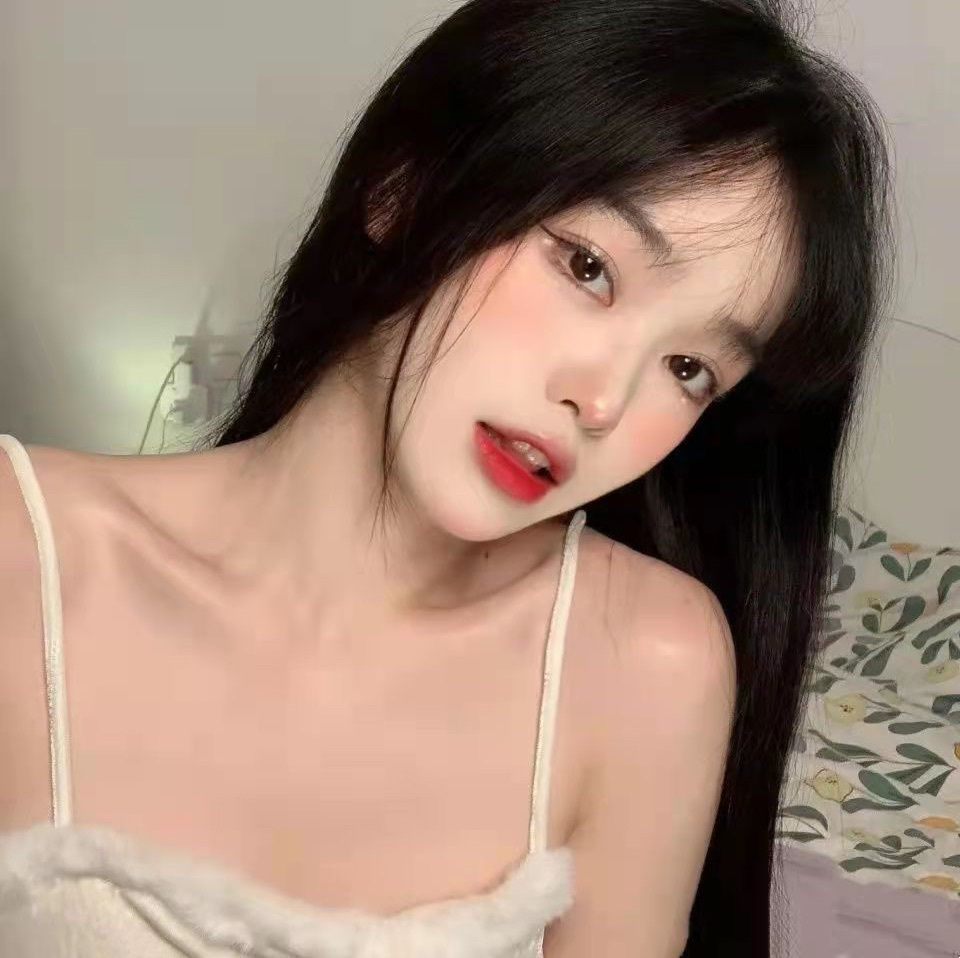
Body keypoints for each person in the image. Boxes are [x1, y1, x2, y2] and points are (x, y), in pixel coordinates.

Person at [0, 0, 892, 954]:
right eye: (587, 267)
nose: (601, 401)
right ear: (404, 188)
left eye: (688, 369)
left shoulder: (644, 662)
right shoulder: (24, 553)